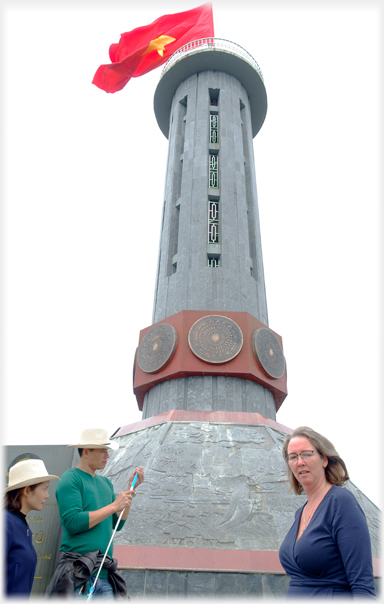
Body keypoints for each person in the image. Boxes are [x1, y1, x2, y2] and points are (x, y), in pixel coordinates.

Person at [279, 426, 376, 598]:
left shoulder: (341, 503)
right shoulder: (300, 513)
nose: (300, 462)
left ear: (324, 459)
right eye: (293, 457)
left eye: (307, 454)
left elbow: (362, 585)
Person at [46, 428, 144, 598]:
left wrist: (131, 489)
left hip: (105, 575)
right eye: (102, 451)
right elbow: (72, 522)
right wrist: (114, 506)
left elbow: (117, 524)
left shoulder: (105, 483)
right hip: (78, 574)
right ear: (86, 451)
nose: (107, 455)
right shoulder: (71, 478)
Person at [4, 458, 60, 597]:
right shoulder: (6, 523)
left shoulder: (23, 526)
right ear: (27, 490)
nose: (47, 495)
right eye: (44, 489)